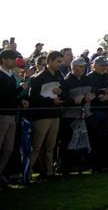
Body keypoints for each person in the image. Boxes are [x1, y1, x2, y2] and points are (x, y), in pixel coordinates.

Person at [27, 50, 65, 180]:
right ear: (49, 61)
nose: (60, 64)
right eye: (58, 61)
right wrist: (51, 101)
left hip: (55, 115)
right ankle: (27, 173)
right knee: (36, 146)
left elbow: (65, 93)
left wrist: (61, 92)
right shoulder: (38, 77)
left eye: (61, 61)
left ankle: (49, 172)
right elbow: (33, 98)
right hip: (42, 116)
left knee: (51, 147)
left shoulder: (60, 76)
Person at [60, 57, 94, 174]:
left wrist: (91, 96)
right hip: (70, 117)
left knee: (83, 142)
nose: (83, 68)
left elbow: (92, 92)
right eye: (81, 66)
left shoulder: (87, 79)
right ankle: (66, 167)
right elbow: (62, 100)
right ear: (73, 67)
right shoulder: (66, 81)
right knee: (68, 143)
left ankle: (81, 166)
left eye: (84, 66)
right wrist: (74, 101)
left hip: (85, 115)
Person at [86, 56, 108, 173]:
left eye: (104, 65)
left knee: (106, 138)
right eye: (101, 65)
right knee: (95, 139)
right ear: (94, 65)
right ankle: (95, 165)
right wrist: (102, 93)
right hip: (95, 111)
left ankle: (105, 164)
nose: (103, 67)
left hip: (107, 110)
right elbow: (90, 91)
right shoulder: (89, 77)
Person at [0, 50, 23, 186]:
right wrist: (20, 89)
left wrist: (21, 101)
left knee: (8, 149)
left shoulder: (11, 76)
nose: (15, 61)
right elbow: (5, 96)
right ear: (3, 59)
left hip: (12, 116)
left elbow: (12, 97)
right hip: (2, 116)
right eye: (12, 59)